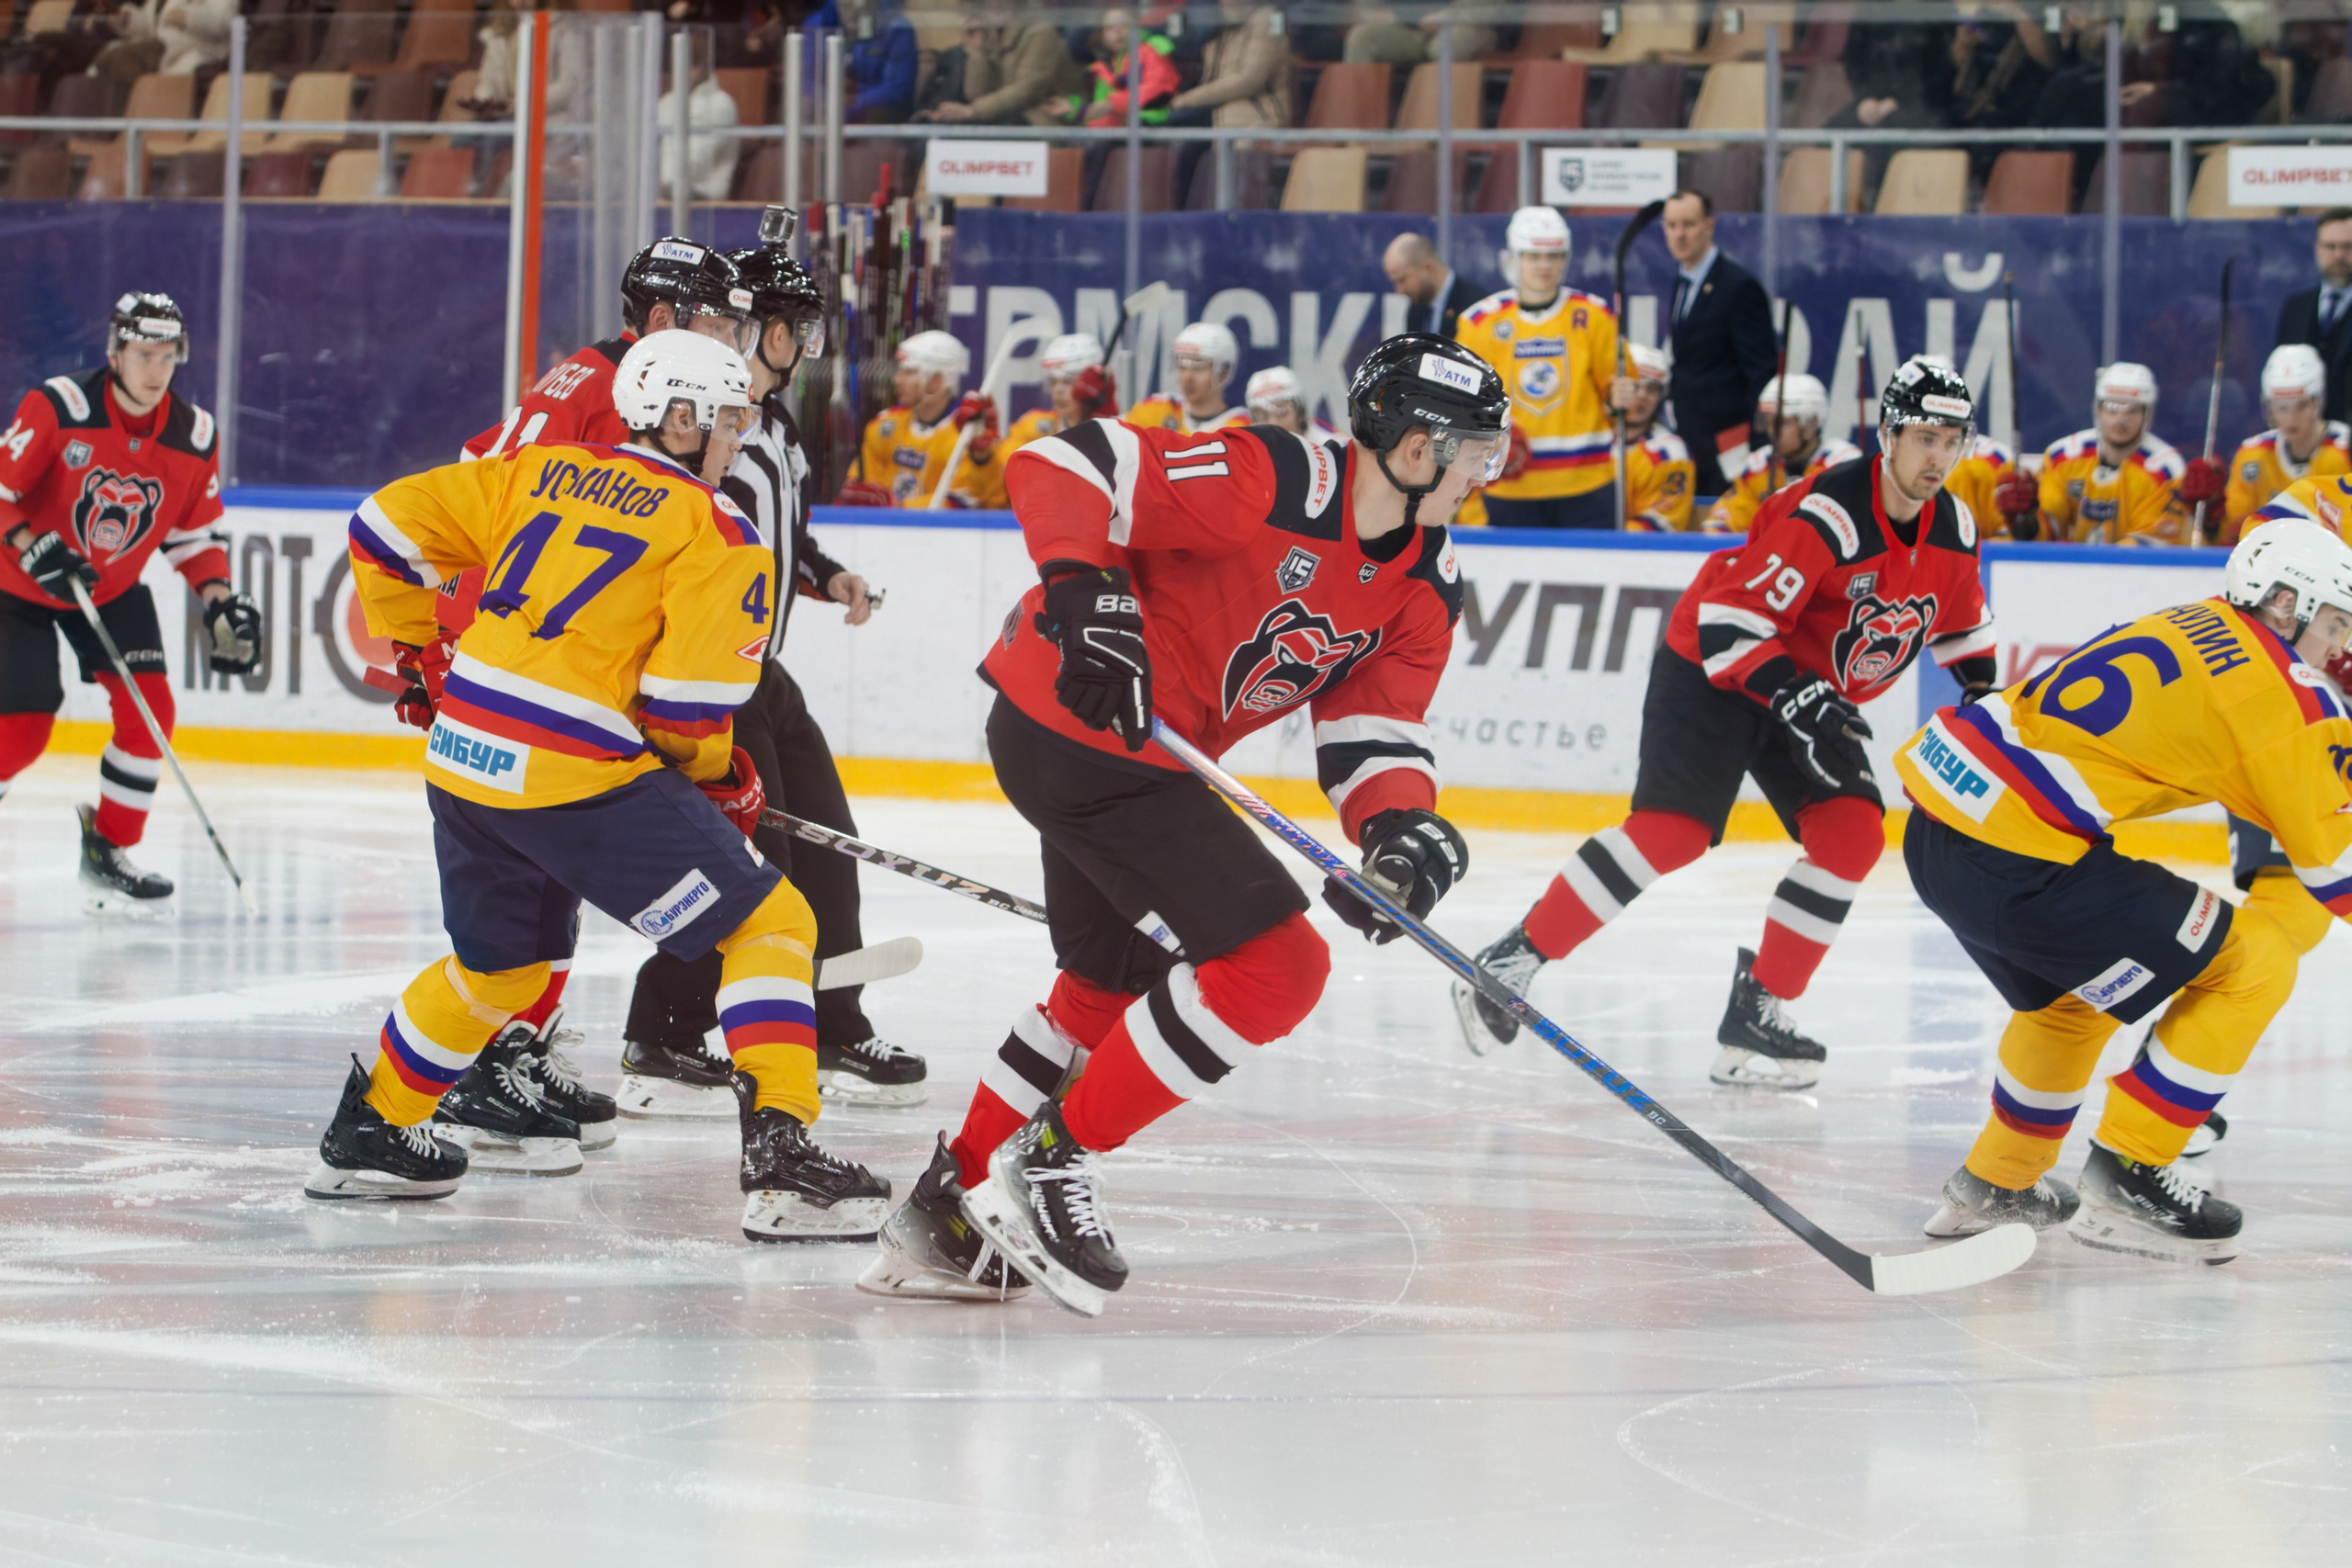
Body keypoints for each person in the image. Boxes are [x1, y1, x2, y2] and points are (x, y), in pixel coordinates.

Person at [859, 334, 1506, 1313]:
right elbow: (1068, 460)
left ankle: (945, 1220)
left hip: (1130, 754)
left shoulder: (1425, 583)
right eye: (1475, 455)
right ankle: (1052, 1158)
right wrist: (1084, 586)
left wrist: (1397, 836)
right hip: (1077, 724)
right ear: (1417, 451)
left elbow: (1375, 735)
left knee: (1101, 986)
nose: (1481, 475)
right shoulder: (1272, 473)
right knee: (1277, 969)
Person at [309, 331, 894, 1244]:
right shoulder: (716, 529)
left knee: (498, 970)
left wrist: (420, 653)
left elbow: (381, 525)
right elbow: (688, 708)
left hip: (467, 752)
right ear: (683, 417)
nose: (738, 437)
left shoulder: (536, 472)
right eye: (731, 419)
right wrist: (720, 784)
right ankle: (783, 1159)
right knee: (772, 924)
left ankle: (370, 1130)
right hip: (573, 773)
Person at [1451, 358, 1996, 1087]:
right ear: (1889, 433)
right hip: (1715, 665)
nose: (1939, 455)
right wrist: (1798, 697)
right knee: (1671, 834)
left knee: (1854, 833)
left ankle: (1758, 1012)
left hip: (1803, 689)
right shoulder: (1829, 515)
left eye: (1953, 439)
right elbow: (1729, 624)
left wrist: (1986, 703)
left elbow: (1964, 632)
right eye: (1925, 436)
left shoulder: (1955, 527)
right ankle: (1512, 959)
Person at [1893, 520, 2352, 1263]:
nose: (2337, 647)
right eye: (2333, 622)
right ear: (2282, 602)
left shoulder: (2192, 618)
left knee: (2070, 1001)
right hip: (2024, 861)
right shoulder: (2288, 696)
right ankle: (2131, 1169)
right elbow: (2339, 875)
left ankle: (1997, 1180)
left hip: (1939, 833)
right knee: (2259, 958)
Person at [618, 237, 926, 1120]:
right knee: (755, 866)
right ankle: (663, 1027)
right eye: (796, 329)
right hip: (709, 681)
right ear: (760, 330)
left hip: (765, 676)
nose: (805, 347)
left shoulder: (775, 427)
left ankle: (834, 1021)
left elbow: (780, 542)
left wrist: (827, 576)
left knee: (830, 844)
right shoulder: (696, 423)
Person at [0, 292, 260, 915]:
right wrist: (30, 544)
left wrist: (219, 600)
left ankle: (108, 848)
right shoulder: (59, 406)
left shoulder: (195, 436)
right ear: (115, 354)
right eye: (144, 354)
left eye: (167, 356)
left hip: (110, 587)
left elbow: (192, 537)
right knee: (26, 727)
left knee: (151, 712)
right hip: (17, 585)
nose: (155, 369)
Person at [466, 237, 755, 464]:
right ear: (661, 320)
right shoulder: (635, 396)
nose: (730, 346)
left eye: (734, 332)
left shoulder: (587, 364)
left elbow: (475, 457)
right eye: (716, 329)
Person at [1454, 206, 1622, 530]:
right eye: (1533, 256)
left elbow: (1617, 397)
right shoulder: (1480, 322)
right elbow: (1464, 402)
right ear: (1514, 258)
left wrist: (1623, 395)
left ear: (1565, 259)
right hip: (1509, 485)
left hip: (1587, 483)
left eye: (1553, 256)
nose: (1544, 265)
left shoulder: (1594, 316)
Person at [1658, 190, 1777, 498]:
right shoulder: (1682, 279)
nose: (1679, 234)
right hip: (1691, 438)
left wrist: (1756, 445)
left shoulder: (1738, 287)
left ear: (1708, 226)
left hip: (1730, 444)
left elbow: (1761, 372)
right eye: (1671, 225)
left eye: (1688, 224)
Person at [842, 331, 1007, 507]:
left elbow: (964, 502)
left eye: (909, 372)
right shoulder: (884, 427)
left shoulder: (967, 434)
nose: (897, 380)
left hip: (943, 534)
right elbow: (863, 487)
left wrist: (895, 506)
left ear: (936, 380)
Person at [2034, 363, 2190, 545]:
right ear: (2098, 409)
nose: (2120, 419)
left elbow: (2152, 542)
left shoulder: (2166, 469)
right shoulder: (2061, 457)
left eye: (2132, 410)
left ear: (2149, 414)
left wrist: (2091, 563)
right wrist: (2026, 520)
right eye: (2111, 408)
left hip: (2132, 572)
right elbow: (2045, 529)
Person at [2220, 344, 2350, 544]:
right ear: (2268, 406)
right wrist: (2212, 517)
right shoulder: (2252, 455)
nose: (2291, 417)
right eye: (2282, 407)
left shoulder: (2344, 450)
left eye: (2302, 405)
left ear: (2318, 401)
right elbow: (2232, 531)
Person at [1701, 374, 1860, 534]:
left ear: (1811, 424)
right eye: (1768, 423)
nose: (1771, 432)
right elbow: (1719, 525)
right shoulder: (1759, 466)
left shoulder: (1842, 467)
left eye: (1781, 424)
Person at [915, 0, 1087, 127]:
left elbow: (1027, 91)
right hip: (1005, 116)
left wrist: (973, 111)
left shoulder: (1041, 31)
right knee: (943, 136)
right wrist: (977, 52)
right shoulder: (991, 30)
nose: (993, 4)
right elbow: (976, 94)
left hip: (1044, 119)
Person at [2276, 209, 2352, 425]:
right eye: (2330, 246)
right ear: (2317, 249)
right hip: (2301, 439)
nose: (2339, 255)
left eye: (2348, 246)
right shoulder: (2295, 309)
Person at [1615, 344, 1694, 532]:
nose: (1642, 395)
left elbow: (1660, 526)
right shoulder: (1590, 440)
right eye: (1634, 384)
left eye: (1652, 389)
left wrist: (1600, 537)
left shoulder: (1669, 453)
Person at [1001, 333, 1117, 459]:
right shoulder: (1032, 429)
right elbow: (1008, 469)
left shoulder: (1124, 436)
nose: (1058, 390)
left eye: (1068, 381)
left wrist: (1099, 433)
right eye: (1053, 381)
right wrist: (982, 457)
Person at [806, 0, 918, 123]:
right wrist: (827, 99)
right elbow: (804, 80)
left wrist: (855, 102)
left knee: (880, 132)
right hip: (823, 115)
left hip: (875, 120)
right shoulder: (817, 24)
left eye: (859, 5)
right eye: (846, 5)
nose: (852, 12)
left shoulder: (897, 28)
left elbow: (897, 90)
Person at [1126, 321, 1247, 434]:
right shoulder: (1156, 409)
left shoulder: (1240, 427)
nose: (1188, 377)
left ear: (1223, 373)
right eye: (1182, 365)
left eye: (1199, 366)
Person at [1383, 231, 1480, 340]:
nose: (1399, 290)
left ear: (1428, 268)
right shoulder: (1416, 309)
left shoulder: (1475, 306)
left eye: (1402, 280)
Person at [1340, 1, 1498, 65]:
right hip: (1410, 28)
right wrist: (1381, 15)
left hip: (1466, 25)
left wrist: (1447, 17)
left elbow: (1483, 9)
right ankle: (1356, 129)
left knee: (1445, 47)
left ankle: (1441, 127)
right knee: (1361, 37)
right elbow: (1366, 8)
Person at [1243, 364, 1329, 435]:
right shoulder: (1245, 452)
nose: (1273, 424)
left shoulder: (1330, 450)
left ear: (1300, 413)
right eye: (1262, 416)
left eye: (1282, 412)